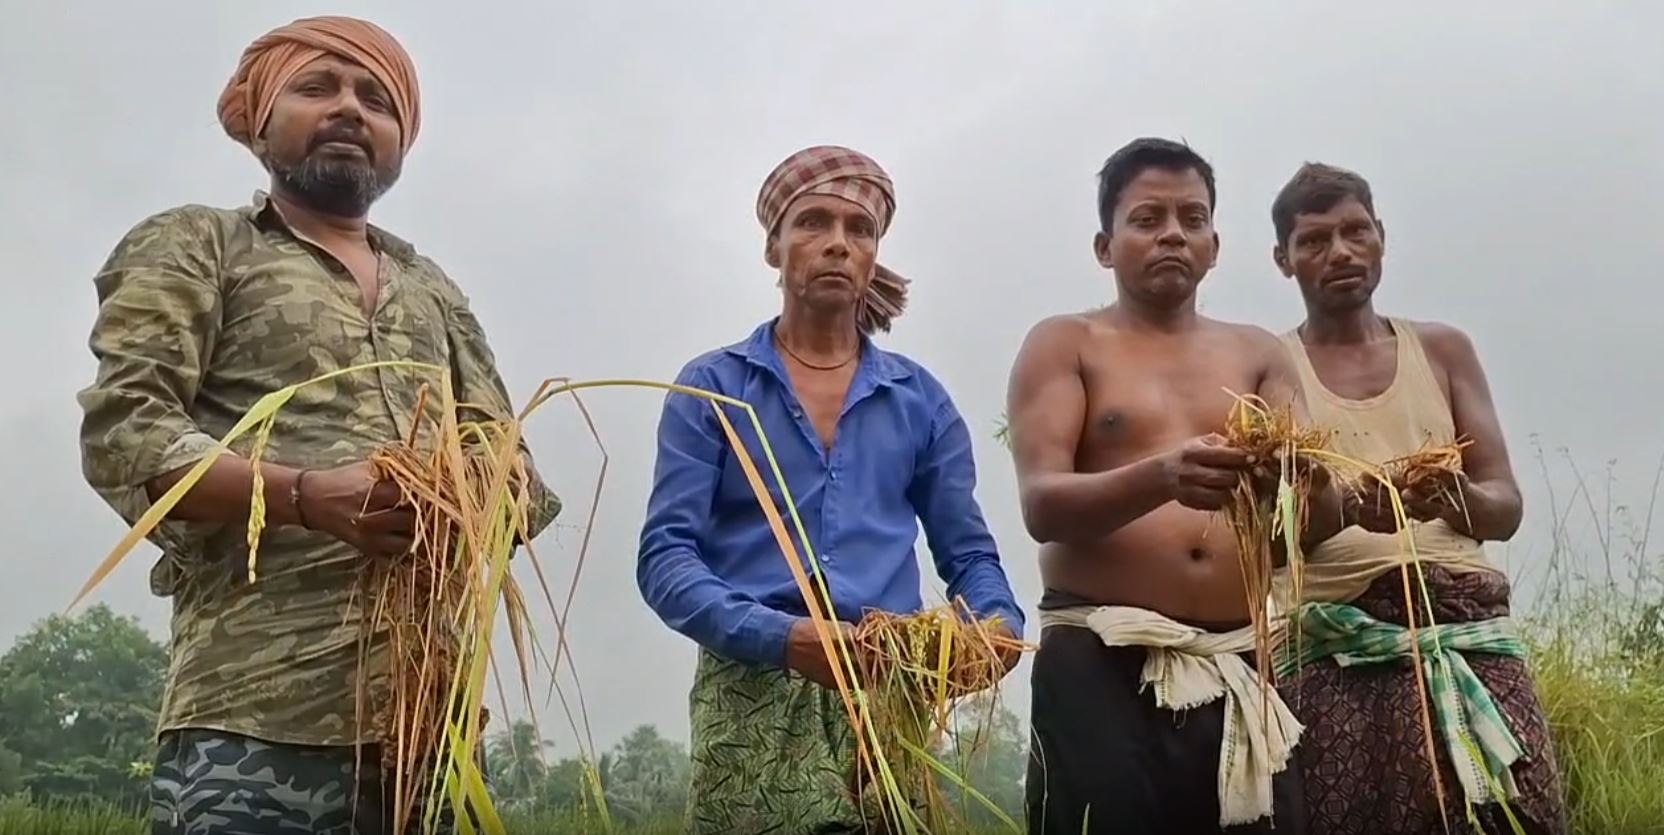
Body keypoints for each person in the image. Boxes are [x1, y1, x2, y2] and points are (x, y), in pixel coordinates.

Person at [75, 16, 559, 835]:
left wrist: (470, 498)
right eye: (317, 87)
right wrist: (305, 495)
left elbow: (516, 472)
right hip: (254, 714)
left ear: (402, 140)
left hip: (425, 730)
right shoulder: (204, 243)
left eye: (376, 99)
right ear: (259, 120)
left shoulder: (433, 289)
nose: (348, 108)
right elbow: (128, 429)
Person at [636, 145, 1026, 834]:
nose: (839, 244)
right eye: (814, 222)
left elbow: (969, 557)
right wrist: (784, 636)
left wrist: (995, 628)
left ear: (875, 254)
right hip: (748, 695)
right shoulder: (713, 388)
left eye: (861, 229)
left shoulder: (919, 400)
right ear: (774, 247)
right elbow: (666, 561)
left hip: (888, 695)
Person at [1005, 137, 1344, 835]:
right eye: (1147, 218)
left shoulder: (1258, 352)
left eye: (1191, 219)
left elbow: (1309, 517)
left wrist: (1322, 488)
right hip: (1102, 658)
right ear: (1106, 245)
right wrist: (1162, 475)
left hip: (1237, 661)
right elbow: (1043, 505)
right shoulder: (1065, 343)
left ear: (1215, 245)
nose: (1172, 235)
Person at [1265, 161, 1567, 835]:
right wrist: (1338, 506)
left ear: (1381, 237)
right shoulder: (1267, 368)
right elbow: (1263, 543)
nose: (1340, 252)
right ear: (1283, 259)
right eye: (1314, 240)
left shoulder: (1442, 351)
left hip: (1463, 627)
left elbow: (1505, 506)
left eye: (1355, 231)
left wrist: (1453, 499)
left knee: (1517, 813)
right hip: (1336, 645)